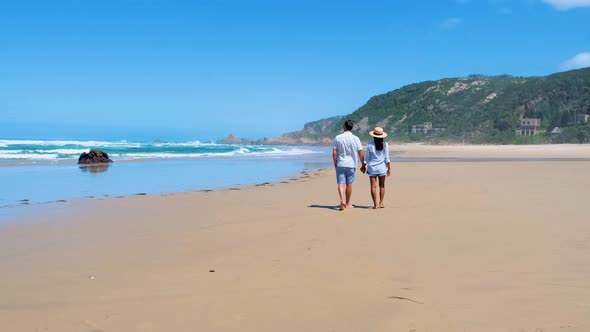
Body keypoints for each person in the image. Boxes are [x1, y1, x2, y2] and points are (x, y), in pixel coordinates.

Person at [332, 119, 364, 211]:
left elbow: (334, 152)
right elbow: (360, 152)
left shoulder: (338, 137)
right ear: (352, 128)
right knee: (349, 184)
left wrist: (335, 163)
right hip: (351, 164)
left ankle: (342, 200)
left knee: (340, 183)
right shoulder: (356, 138)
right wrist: (363, 164)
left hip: (341, 163)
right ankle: (348, 203)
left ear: (344, 127)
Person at [360, 127, 391, 209]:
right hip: (382, 168)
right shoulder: (385, 144)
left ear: (373, 135)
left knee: (373, 186)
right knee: (382, 186)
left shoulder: (370, 144)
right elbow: (387, 158)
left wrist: (363, 166)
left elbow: (367, 158)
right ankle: (381, 203)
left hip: (372, 168)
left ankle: (375, 204)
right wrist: (389, 169)